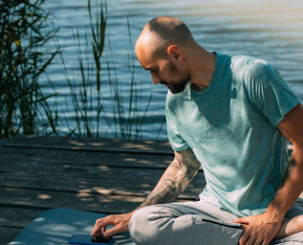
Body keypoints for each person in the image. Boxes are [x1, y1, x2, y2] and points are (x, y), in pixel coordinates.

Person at [91, 16, 303, 245]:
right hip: (215, 213)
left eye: (154, 70)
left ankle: (269, 231)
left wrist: (272, 217)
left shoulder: (253, 75)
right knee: (143, 224)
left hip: (273, 210)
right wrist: (132, 216)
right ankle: (277, 233)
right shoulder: (175, 102)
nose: (154, 80)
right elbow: (183, 167)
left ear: (175, 54)